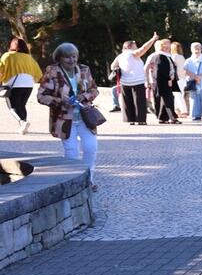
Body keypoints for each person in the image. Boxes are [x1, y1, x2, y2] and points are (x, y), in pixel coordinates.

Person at [36, 43, 100, 189]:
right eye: (67, 57)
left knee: (91, 148)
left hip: (85, 117)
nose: (72, 60)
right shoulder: (52, 71)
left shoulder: (84, 69)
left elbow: (94, 90)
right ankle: (75, 183)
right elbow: (41, 96)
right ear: (59, 58)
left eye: (74, 56)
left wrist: (84, 96)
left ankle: (88, 179)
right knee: (72, 152)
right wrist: (60, 101)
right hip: (64, 119)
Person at [112, 33, 159, 124]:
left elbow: (112, 66)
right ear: (130, 46)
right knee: (139, 102)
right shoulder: (132, 53)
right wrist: (153, 39)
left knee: (127, 102)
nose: (137, 47)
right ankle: (140, 120)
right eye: (135, 45)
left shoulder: (120, 56)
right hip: (137, 81)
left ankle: (130, 120)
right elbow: (144, 48)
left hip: (124, 82)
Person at [0, 38, 42, 134]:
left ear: (12, 45)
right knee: (22, 105)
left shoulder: (8, 55)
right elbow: (39, 73)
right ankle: (23, 126)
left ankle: (22, 122)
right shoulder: (29, 58)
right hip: (29, 85)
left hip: (13, 85)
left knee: (12, 106)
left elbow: (1, 69)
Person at [147, 39, 181, 124]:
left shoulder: (166, 55)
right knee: (169, 99)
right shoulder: (160, 56)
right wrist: (168, 79)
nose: (168, 46)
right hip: (163, 81)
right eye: (165, 44)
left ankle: (162, 118)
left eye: (169, 44)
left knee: (165, 100)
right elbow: (160, 70)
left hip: (165, 80)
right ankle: (172, 118)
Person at [183, 42, 202, 121]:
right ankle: (195, 115)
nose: (197, 50)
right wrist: (195, 77)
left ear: (201, 49)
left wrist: (200, 77)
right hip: (192, 82)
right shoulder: (188, 60)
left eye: (198, 48)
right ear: (191, 49)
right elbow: (185, 70)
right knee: (194, 99)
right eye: (195, 48)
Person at [170, 40, 188, 117]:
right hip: (183, 78)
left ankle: (183, 111)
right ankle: (177, 111)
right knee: (178, 95)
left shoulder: (173, 57)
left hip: (177, 79)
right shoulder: (182, 57)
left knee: (178, 95)